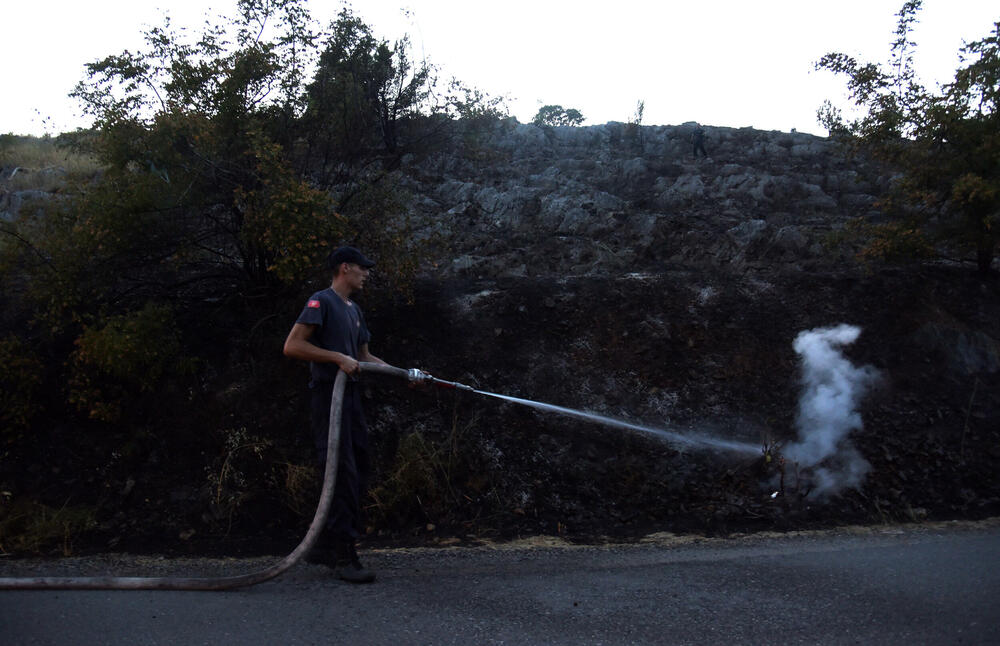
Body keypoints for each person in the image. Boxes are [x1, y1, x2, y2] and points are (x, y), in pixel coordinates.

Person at [283, 245, 388, 583]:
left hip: (352, 400)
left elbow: (365, 357)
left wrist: (407, 374)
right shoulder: (322, 301)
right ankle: (343, 552)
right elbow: (293, 345)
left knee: (359, 466)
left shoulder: (354, 310)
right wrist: (336, 359)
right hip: (329, 398)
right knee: (340, 471)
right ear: (345, 268)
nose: (367, 273)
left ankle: (327, 544)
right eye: (362, 267)